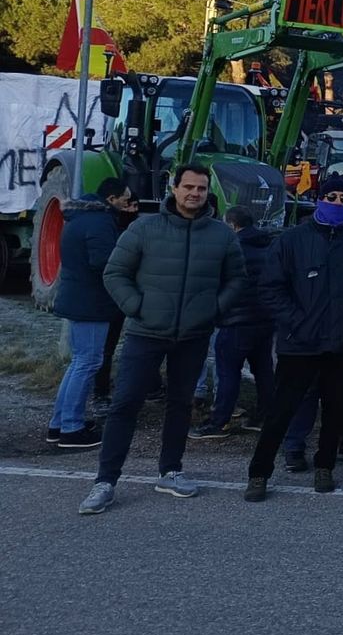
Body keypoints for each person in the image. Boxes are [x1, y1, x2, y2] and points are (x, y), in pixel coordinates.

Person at [78, 165, 246, 515]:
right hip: (146, 333)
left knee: (181, 404)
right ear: (175, 187)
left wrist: (213, 310)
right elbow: (115, 272)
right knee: (125, 405)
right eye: (188, 187)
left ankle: (170, 471)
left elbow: (237, 279)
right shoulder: (145, 228)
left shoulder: (221, 235)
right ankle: (105, 481)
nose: (194, 194)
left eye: (201, 188)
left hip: (194, 335)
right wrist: (136, 307)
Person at [244, 176, 343, 499]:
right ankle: (259, 473)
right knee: (281, 410)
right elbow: (270, 287)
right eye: (330, 196)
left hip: (341, 344)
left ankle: (325, 466)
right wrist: (295, 321)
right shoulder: (292, 240)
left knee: (336, 409)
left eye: (342, 198)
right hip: (299, 344)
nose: (337, 202)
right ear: (319, 200)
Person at [48, 178, 133, 450]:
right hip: (91, 302)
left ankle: (59, 424)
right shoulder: (100, 222)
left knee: (79, 362)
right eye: (125, 199)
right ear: (111, 199)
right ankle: (71, 429)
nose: (128, 204)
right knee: (88, 362)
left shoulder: (80, 218)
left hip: (78, 299)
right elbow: (103, 263)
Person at [189, 206, 277, 439]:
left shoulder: (231, 249)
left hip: (235, 320)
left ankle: (220, 421)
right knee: (264, 370)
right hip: (265, 320)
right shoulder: (267, 247)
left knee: (228, 372)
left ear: (232, 225)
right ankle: (266, 414)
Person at [91, 189, 141, 417]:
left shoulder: (125, 227)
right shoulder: (107, 229)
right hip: (106, 299)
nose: (133, 209)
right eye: (129, 203)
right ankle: (100, 393)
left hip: (118, 300)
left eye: (136, 205)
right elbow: (105, 265)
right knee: (104, 350)